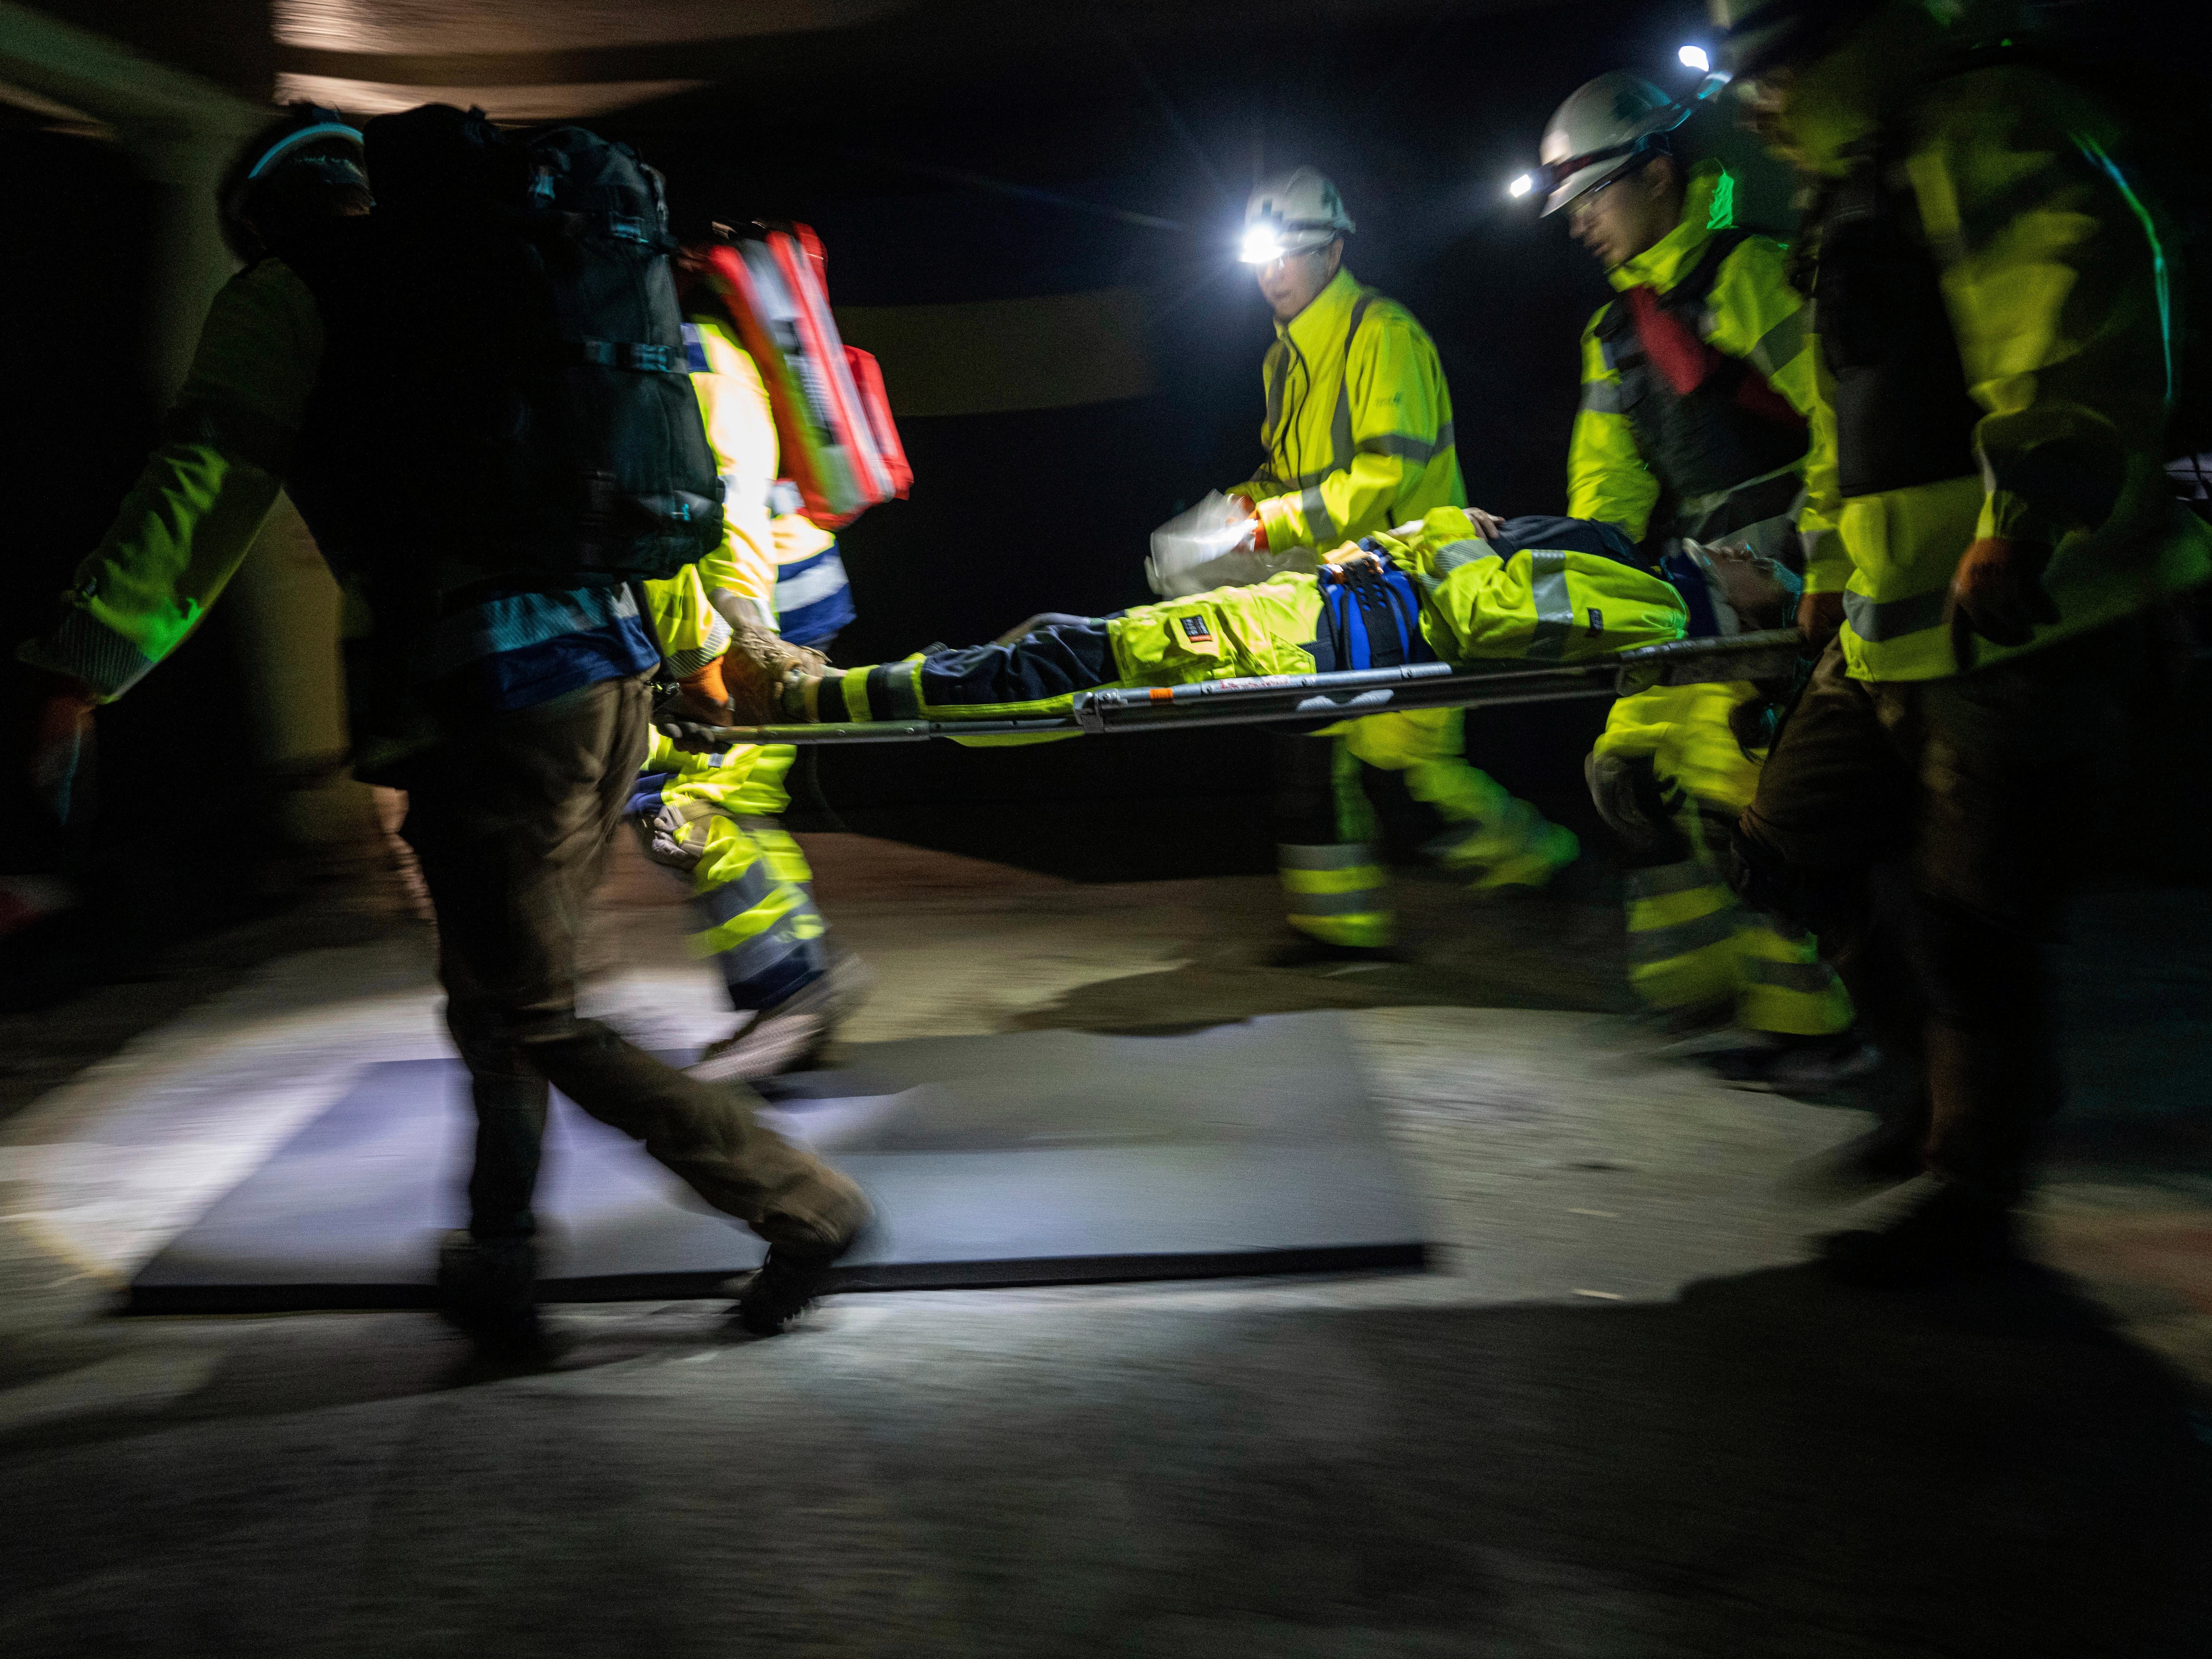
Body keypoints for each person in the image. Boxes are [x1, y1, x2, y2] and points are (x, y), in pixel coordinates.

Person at [17, 105, 867, 1342]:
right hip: (611, 682)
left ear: (255, 219)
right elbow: (624, 468)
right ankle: (500, 1251)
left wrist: (81, 663)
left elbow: (201, 483)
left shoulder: (291, 293)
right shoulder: (506, 278)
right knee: (496, 995)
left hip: (488, 707)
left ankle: (806, 1209)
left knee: (542, 1014)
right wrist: (693, 651)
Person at [1708, 0, 2212, 1280]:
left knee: (1977, 919)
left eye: (1769, 73)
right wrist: (1821, 566)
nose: (1755, 105)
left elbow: (2072, 322)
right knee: (1786, 848)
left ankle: (1975, 1192)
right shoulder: (1850, 187)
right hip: (1891, 625)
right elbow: (1848, 416)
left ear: (1836, 42)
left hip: (2025, 615)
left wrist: (2028, 515)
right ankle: (1928, 1094)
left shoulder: (1985, 121)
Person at [1536, 72, 1856, 1074]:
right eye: (1571, 207)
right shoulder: (1617, 334)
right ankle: (1697, 990)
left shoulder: (1751, 276)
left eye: (1595, 197)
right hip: (1693, 581)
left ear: (1660, 175)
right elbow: (1610, 488)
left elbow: (1845, 426)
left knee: (1741, 781)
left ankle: (1815, 1023)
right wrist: (1589, 586)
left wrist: (1809, 561)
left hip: (1776, 581)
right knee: (1629, 774)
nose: (1582, 223)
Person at [1227, 169, 1576, 960]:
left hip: (1410, 585)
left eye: (1290, 253)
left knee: (1407, 773)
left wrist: (1268, 521)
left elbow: (1389, 469)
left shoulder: (1381, 333)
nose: (1272, 272)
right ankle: (1337, 927)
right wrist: (1236, 513)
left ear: (1333, 250)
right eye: (1261, 257)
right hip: (1338, 592)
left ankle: (1538, 857)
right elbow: (1288, 475)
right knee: (1305, 746)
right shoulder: (1285, 360)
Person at [712, 510, 1734, 732]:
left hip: (1309, 638)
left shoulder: (1651, 599)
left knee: (1062, 660)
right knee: (1056, 640)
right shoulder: (1632, 561)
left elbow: (1489, 614)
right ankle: (829, 690)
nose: (1742, 551)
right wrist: (1428, 540)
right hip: (1310, 614)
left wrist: (1452, 534)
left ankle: (815, 693)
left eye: (1760, 557)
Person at [623, 288, 868, 1084]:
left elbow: (727, 521)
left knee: (678, 804)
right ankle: (801, 984)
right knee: (729, 808)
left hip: (763, 607)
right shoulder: (660, 348)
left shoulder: (687, 360)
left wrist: (737, 646)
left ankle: (793, 991)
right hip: (756, 601)